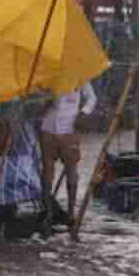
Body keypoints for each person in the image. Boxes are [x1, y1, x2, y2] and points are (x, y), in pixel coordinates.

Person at [38, 81, 97, 224]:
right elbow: (38, 100)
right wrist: (44, 102)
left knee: (72, 170)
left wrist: (83, 113)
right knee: (47, 170)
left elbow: (92, 98)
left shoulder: (79, 76)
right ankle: (47, 210)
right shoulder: (49, 75)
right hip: (48, 129)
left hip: (70, 130)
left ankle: (71, 212)